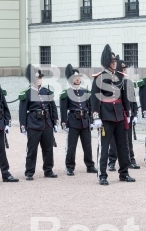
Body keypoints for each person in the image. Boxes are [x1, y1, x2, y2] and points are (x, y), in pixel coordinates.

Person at [91, 44, 136, 186]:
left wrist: (127, 113)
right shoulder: (99, 77)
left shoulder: (120, 77)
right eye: (112, 61)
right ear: (107, 62)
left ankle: (124, 172)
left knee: (123, 146)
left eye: (115, 61)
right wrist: (96, 117)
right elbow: (94, 98)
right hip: (105, 115)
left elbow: (124, 97)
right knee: (104, 147)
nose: (115, 63)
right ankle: (102, 175)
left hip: (119, 115)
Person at [19, 64, 59, 180]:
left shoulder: (46, 91)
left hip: (47, 123)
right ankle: (29, 172)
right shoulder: (26, 93)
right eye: (37, 78)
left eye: (40, 77)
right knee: (32, 149)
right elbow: (22, 111)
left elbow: (53, 107)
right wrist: (23, 125)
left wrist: (55, 121)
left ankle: (48, 170)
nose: (39, 80)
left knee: (48, 148)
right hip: (33, 123)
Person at [60, 64, 98, 176]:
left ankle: (90, 165)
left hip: (85, 121)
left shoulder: (85, 92)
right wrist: (64, 123)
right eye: (75, 77)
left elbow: (90, 107)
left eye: (79, 77)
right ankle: (70, 167)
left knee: (87, 145)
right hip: (73, 122)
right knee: (71, 147)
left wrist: (91, 121)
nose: (77, 79)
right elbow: (63, 110)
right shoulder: (66, 93)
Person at [107, 56, 140, 170]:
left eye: (125, 69)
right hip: (117, 115)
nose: (124, 71)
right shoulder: (114, 81)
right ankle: (111, 161)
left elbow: (133, 100)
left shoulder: (128, 82)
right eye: (122, 69)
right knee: (114, 142)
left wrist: (134, 114)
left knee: (128, 140)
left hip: (128, 115)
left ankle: (131, 159)